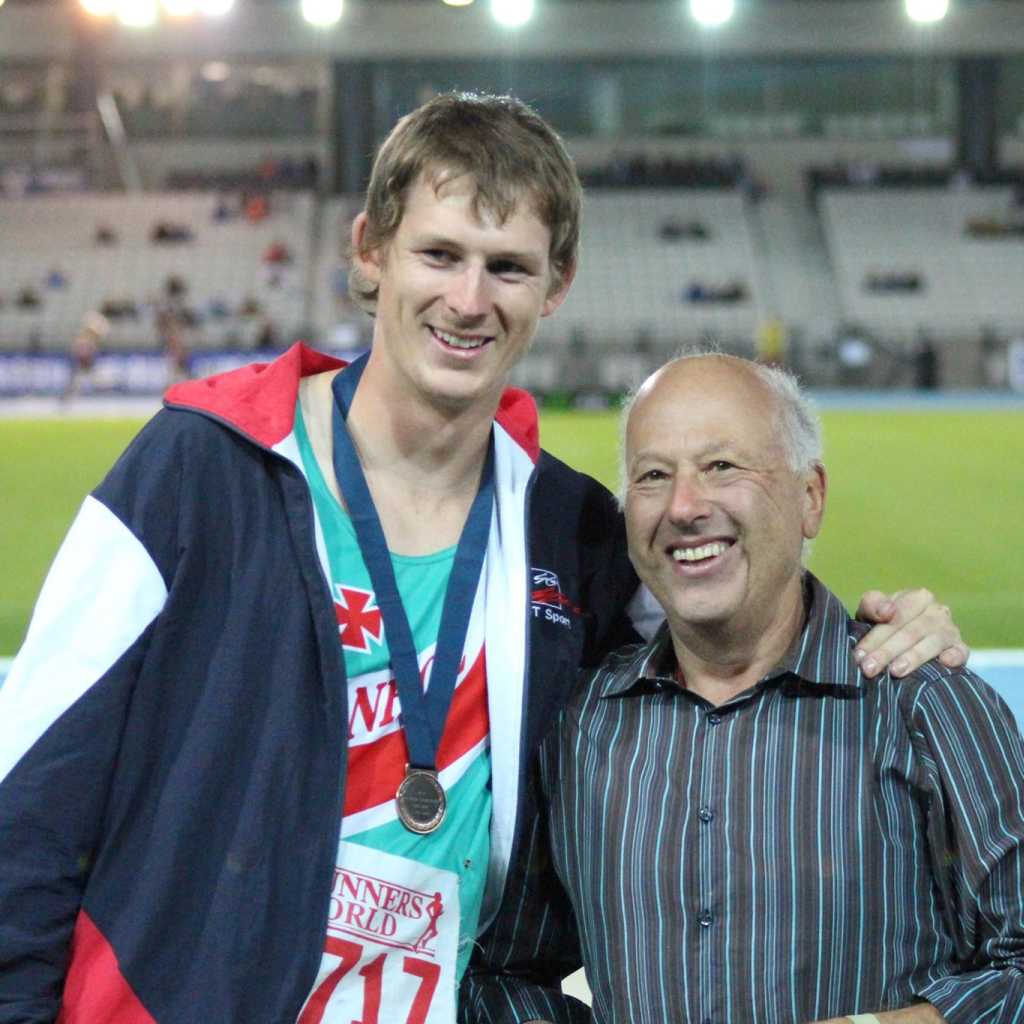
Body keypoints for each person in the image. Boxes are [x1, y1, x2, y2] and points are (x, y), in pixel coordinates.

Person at [0, 95, 965, 1023]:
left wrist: (889, 638)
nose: (469, 299)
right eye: (439, 254)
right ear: (370, 251)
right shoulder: (199, 466)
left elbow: (738, 652)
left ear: (556, 284)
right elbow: (30, 802)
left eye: (507, 266)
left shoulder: (573, 531)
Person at [460, 353, 1024, 1024]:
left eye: (722, 466)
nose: (685, 506)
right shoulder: (578, 727)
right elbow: (500, 970)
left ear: (810, 497)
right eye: (653, 476)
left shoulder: (925, 705)